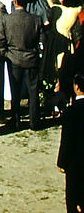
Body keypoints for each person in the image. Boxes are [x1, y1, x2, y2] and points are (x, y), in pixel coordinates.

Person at [0, 0, 44, 131]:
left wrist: (5, 53)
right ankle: (35, 121)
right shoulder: (36, 19)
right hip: (31, 58)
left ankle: (16, 119)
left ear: (15, 1)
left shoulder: (6, 19)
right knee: (33, 90)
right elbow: (42, 40)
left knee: (15, 91)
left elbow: (1, 40)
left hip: (14, 58)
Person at [57, 73, 84, 213]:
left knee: (73, 200)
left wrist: (62, 162)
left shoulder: (71, 112)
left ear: (77, 87)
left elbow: (67, 140)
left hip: (76, 164)